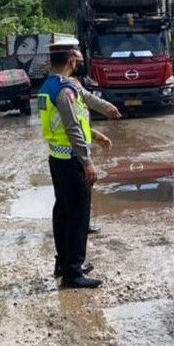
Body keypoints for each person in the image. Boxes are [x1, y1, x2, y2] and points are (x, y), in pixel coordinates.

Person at [38, 37, 121, 288]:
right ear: (72, 60)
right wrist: (87, 162)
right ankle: (73, 271)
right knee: (78, 216)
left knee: (63, 211)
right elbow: (73, 127)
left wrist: (104, 116)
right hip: (73, 161)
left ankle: (64, 262)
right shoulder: (65, 91)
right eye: (78, 59)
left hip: (58, 158)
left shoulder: (50, 85)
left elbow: (81, 105)